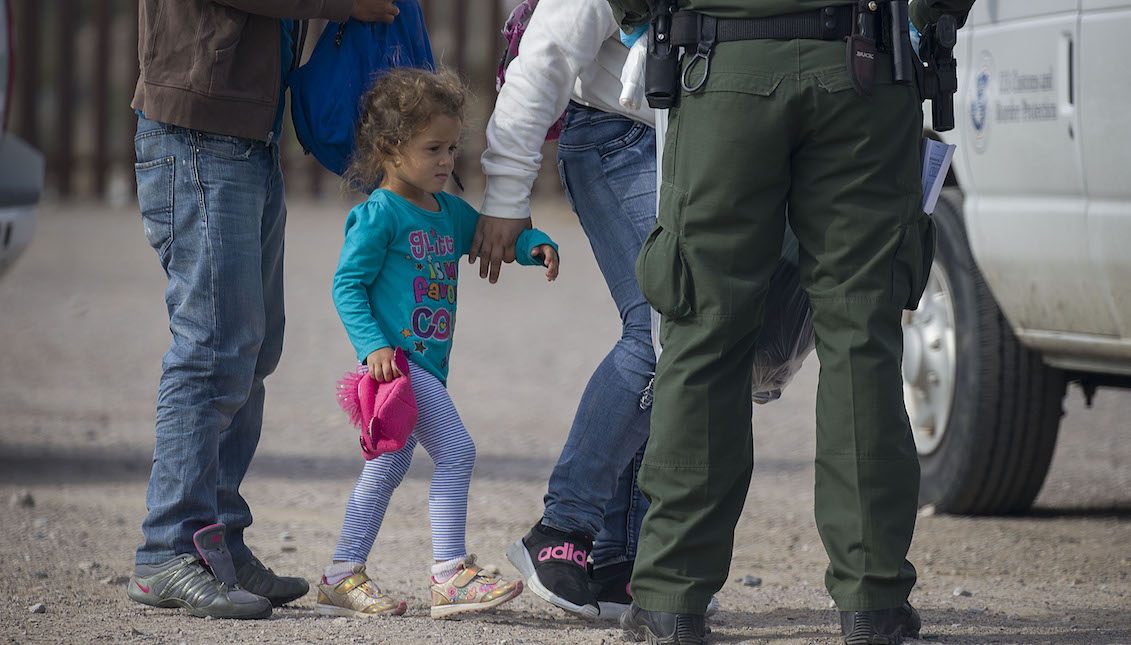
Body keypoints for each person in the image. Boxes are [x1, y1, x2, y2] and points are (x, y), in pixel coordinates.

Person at [599, 1, 975, 644]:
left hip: (723, 67)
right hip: (864, 66)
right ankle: (873, 599)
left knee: (704, 330)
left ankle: (671, 597)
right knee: (862, 337)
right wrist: (933, 17)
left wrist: (639, 21)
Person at [126, 0, 406, 620]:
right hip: (197, 133)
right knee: (213, 347)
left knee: (252, 349)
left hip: (246, 136)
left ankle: (216, 541)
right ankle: (168, 549)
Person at [313, 67, 559, 620]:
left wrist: (533, 244)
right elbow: (346, 284)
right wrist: (372, 345)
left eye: (452, 147)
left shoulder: (447, 212)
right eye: (433, 148)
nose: (448, 160)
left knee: (388, 468)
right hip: (398, 364)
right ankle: (449, 575)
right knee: (457, 450)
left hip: (423, 367)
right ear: (389, 149)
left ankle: (339, 576)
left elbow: (489, 237)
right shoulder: (379, 214)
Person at [474, 0, 661, 621]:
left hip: (684, 146)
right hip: (616, 134)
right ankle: (564, 529)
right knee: (663, 328)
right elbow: (545, 56)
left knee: (684, 340)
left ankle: (616, 560)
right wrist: (506, 190)